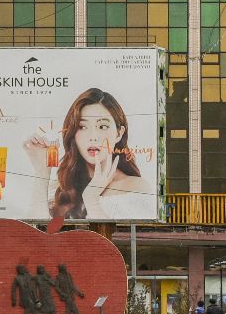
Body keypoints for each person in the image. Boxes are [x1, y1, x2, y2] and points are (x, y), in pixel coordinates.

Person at [23, 88, 157, 224]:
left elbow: (128, 243)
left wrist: (92, 202)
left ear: (118, 133)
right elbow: (32, 239)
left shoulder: (137, 189)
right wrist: (42, 172)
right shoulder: (62, 189)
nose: (93, 137)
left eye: (102, 126)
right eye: (82, 127)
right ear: (73, 134)